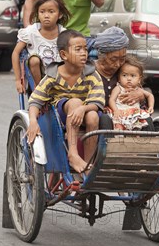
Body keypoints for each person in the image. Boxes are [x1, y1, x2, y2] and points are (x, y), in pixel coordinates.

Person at [27, 30, 105, 173]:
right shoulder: (53, 75)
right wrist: (32, 121)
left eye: (85, 49)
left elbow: (97, 102)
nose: (84, 53)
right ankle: (73, 154)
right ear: (64, 55)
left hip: (86, 113)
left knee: (93, 115)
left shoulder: (91, 74)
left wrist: (83, 109)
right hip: (62, 115)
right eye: (78, 49)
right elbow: (35, 100)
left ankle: (88, 164)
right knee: (75, 102)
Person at [12, 0, 70, 92]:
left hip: (58, 76)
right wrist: (18, 80)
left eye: (51, 12)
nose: (46, 15)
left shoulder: (64, 34)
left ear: (60, 14)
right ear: (38, 14)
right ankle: (40, 91)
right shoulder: (31, 32)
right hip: (37, 76)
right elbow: (15, 53)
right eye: (42, 12)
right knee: (34, 60)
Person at [93, 26, 147, 106]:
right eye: (113, 59)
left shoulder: (125, 69)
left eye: (122, 59)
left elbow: (143, 89)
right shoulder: (89, 71)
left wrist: (141, 95)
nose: (118, 64)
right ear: (101, 56)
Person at [109, 56, 155, 130]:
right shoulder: (118, 88)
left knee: (141, 122)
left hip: (135, 115)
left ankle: (138, 135)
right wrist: (115, 110)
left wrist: (151, 107)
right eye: (124, 75)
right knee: (119, 127)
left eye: (133, 76)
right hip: (121, 113)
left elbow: (150, 95)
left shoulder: (138, 90)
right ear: (119, 78)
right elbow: (111, 100)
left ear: (139, 79)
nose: (129, 79)